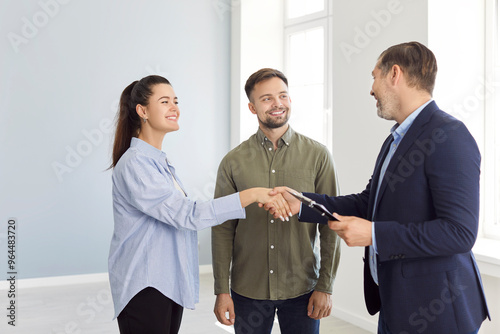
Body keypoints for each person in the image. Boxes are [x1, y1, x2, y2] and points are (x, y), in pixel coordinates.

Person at [269, 42, 490, 334]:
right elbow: (368, 203)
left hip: (438, 312)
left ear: (394, 74)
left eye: (374, 76)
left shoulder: (449, 135)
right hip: (396, 303)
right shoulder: (395, 139)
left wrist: (374, 234)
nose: (371, 89)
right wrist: (303, 204)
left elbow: (459, 233)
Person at [107, 75, 290, 334]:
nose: (174, 108)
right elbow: (188, 215)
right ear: (142, 111)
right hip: (145, 286)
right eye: (165, 101)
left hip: (166, 282)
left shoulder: (159, 163)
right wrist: (252, 194)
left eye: (175, 101)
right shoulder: (136, 164)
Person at [211, 68, 341, 334]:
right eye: (267, 98)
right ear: (252, 106)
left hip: (302, 288)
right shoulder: (233, 161)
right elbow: (223, 228)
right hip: (248, 289)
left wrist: (325, 286)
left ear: (290, 100)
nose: (277, 103)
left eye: (283, 95)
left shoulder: (318, 156)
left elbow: (330, 223)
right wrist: (222, 290)